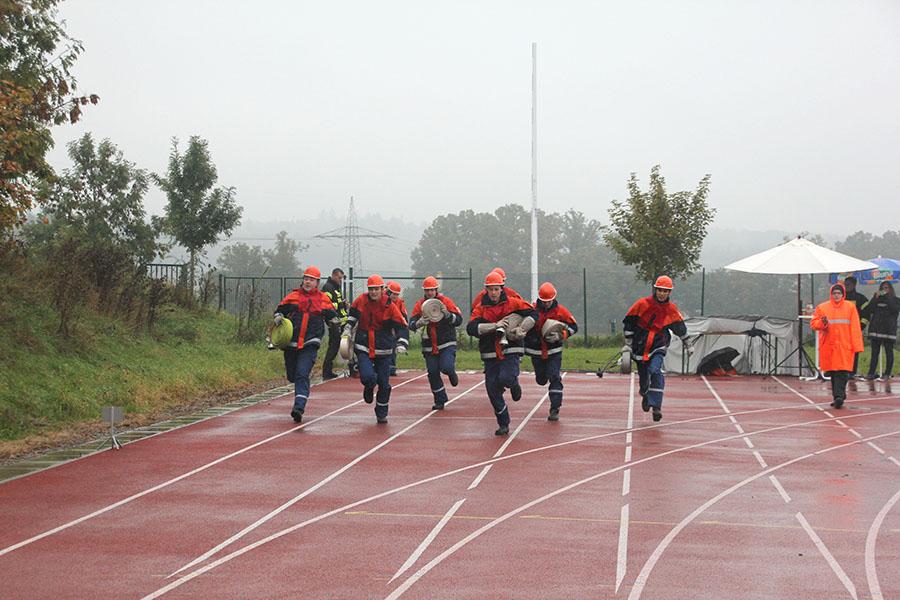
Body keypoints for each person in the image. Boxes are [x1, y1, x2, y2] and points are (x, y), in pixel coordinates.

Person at [467, 271, 537, 435]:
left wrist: (522, 328)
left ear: (501, 288)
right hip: (490, 351)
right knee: (492, 389)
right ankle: (503, 423)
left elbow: (533, 313)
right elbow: (471, 328)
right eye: (490, 289)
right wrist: (494, 326)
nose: (493, 293)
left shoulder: (513, 302)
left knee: (506, 377)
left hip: (511, 347)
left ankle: (513, 384)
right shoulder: (481, 308)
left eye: (496, 289)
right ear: (486, 289)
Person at [623, 275, 692, 422]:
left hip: (658, 344)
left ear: (669, 293)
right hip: (640, 345)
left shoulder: (671, 309)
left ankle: (656, 407)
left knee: (655, 370)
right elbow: (629, 322)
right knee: (643, 379)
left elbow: (679, 326)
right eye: (660, 290)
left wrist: (688, 343)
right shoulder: (642, 304)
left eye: (666, 291)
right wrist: (628, 344)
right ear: (655, 290)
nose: (662, 293)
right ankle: (645, 394)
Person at [273, 266, 337, 423]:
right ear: (303, 280)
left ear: (317, 282)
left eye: (312, 279)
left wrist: (335, 323)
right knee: (292, 375)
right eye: (306, 278)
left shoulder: (323, 299)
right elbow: (279, 310)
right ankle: (299, 393)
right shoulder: (293, 296)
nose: (308, 282)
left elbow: (332, 317)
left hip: (311, 342)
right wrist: (278, 316)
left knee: (302, 373)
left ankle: (299, 407)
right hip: (291, 343)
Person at [344, 274, 409, 423]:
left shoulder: (389, 306)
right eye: (371, 289)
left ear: (382, 290)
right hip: (364, 347)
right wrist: (347, 328)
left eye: (376, 289)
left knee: (384, 384)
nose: (373, 292)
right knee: (367, 376)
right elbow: (352, 316)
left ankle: (381, 412)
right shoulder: (361, 300)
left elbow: (401, 326)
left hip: (384, 350)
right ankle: (368, 387)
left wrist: (402, 343)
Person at [524, 282, 577, 421]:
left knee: (554, 377)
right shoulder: (532, 310)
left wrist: (561, 335)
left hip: (554, 351)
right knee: (541, 380)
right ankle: (540, 377)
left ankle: (555, 408)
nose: (547, 304)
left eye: (549, 301)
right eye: (544, 301)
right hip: (536, 352)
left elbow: (574, 327)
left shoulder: (561, 311)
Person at [409, 276, 463, 410]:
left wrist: (448, 316)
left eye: (432, 290)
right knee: (432, 372)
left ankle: (451, 373)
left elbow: (459, 320)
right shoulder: (420, 304)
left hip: (446, 342)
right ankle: (440, 399)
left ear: (436, 290)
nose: (429, 293)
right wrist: (418, 323)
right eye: (427, 290)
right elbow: (411, 324)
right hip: (429, 345)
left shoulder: (445, 301)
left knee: (446, 367)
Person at [810, 282, 864, 408]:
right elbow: (814, 324)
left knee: (842, 372)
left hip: (845, 345)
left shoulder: (850, 307)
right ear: (831, 294)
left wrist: (857, 346)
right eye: (834, 293)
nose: (836, 295)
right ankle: (838, 396)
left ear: (843, 294)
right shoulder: (822, 307)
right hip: (829, 346)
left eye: (839, 293)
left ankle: (839, 396)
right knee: (833, 372)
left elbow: (855, 327)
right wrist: (822, 323)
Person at [860, 281, 899, 379]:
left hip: (888, 330)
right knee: (874, 353)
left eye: (886, 288)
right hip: (876, 329)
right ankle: (871, 373)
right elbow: (869, 309)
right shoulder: (877, 299)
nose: (884, 290)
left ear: (891, 289)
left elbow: (895, 309)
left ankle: (887, 373)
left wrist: (887, 297)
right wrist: (874, 298)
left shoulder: (896, 300)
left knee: (889, 352)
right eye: (882, 288)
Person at [320, 268, 348, 380]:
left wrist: (344, 304)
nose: (341, 280)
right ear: (334, 276)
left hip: (342, 321)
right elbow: (326, 305)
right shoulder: (328, 288)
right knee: (334, 346)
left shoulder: (336, 288)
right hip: (335, 323)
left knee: (343, 345)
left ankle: (352, 366)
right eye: (339, 278)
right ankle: (326, 372)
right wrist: (331, 320)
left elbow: (337, 304)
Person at [843, 276, 868, 376]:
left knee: (854, 350)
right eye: (845, 285)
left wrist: (861, 326)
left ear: (854, 285)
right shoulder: (841, 297)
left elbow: (866, 314)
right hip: (842, 330)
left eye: (848, 285)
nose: (846, 287)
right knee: (841, 350)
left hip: (855, 330)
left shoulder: (861, 298)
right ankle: (841, 370)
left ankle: (852, 371)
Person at [386, 280, 409, 376]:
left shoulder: (399, 302)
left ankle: (391, 367)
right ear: (389, 292)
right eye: (393, 294)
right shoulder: (383, 300)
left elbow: (404, 317)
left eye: (397, 294)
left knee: (393, 346)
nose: (395, 296)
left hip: (395, 327)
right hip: (384, 326)